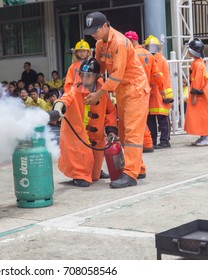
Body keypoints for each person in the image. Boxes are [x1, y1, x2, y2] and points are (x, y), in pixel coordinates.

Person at [83, 11, 150, 188]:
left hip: (135, 89)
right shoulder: (99, 44)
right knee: (122, 131)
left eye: (96, 30)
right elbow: (99, 68)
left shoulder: (119, 42)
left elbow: (116, 75)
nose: (93, 34)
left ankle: (130, 175)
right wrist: (87, 83)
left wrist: (98, 94)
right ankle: (138, 168)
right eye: (91, 31)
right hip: (122, 91)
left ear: (106, 26)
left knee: (132, 133)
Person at [52, 58, 117, 187]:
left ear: (96, 77)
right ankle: (79, 175)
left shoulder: (101, 93)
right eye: (83, 74)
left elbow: (111, 111)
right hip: (77, 134)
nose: (85, 78)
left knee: (94, 172)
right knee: (80, 157)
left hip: (96, 136)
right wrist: (58, 108)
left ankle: (93, 172)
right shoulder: (75, 90)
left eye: (89, 75)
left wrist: (111, 129)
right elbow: (65, 98)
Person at [125, 31, 164, 154]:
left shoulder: (130, 55)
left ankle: (146, 143)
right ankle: (147, 143)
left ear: (130, 41)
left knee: (136, 120)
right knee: (142, 119)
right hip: (146, 90)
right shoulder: (149, 55)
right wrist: (162, 90)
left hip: (133, 90)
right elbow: (157, 75)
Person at [184, 38, 208, 146]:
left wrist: (194, 94)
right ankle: (203, 136)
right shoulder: (197, 63)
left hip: (201, 95)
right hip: (202, 94)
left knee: (202, 116)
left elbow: (197, 81)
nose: (188, 51)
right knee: (200, 116)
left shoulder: (198, 64)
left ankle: (206, 136)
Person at [144, 35, 173, 149]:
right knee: (151, 119)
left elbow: (159, 77)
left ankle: (165, 141)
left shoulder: (160, 60)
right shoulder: (149, 59)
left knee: (162, 118)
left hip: (160, 93)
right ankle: (153, 141)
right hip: (153, 93)